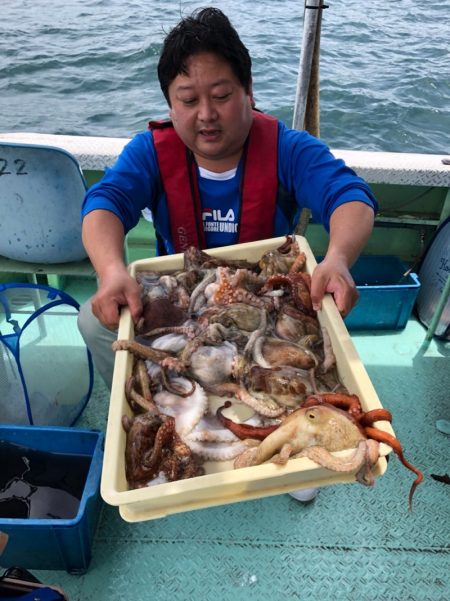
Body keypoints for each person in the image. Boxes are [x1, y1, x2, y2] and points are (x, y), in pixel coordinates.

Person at [78, 7, 377, 503]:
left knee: (327, 337)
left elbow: (350, 197)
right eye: (188, 99)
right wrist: (112, 271)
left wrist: (338, 258)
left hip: (270, 305)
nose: (206, 114)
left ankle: (288, 444)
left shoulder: (287, 149)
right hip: (182, 312)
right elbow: (104, 204)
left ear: (248, 92)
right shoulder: (150, 152)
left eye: (220, 96)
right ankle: (157, 414)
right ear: (170, 106)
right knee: (93, 325)